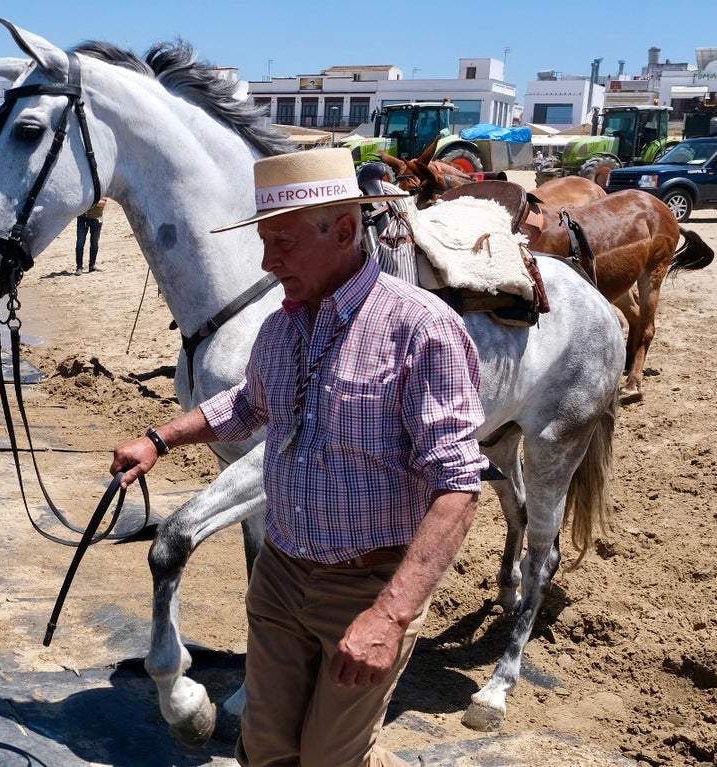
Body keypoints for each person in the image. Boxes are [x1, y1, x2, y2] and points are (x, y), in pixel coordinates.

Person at [110, 148, 488, 767]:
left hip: (367, 584)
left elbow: (458, 487)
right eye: (264, 241)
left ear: (342, 231)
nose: (267, 260)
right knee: (262, 750)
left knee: (332, 759)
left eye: (281, 241)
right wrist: (159, 440)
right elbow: (248, 404)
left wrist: (390, 616)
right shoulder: (282, 327)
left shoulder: (421, 329)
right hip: (281, 576)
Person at [74, 197, 108, 275]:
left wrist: (90, 201)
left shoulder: (101, 189)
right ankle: (79, 267)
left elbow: (103, 203)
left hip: (96, 219)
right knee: (80, 243)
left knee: (94, 243)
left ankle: (92, 265)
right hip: (82, 218)